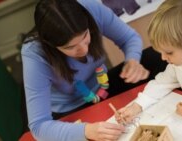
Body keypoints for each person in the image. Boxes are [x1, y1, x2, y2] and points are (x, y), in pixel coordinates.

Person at [21, 0, 167, 140]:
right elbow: (38, 126)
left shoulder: (89, 8)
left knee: (157, 57)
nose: (84, 50)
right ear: (51, 45)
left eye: (85, 36)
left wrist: (132, 60)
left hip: (104, 86)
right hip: (71, 108)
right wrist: (87, 131)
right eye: (70, 47)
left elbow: (129, 38)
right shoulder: (34, 53)